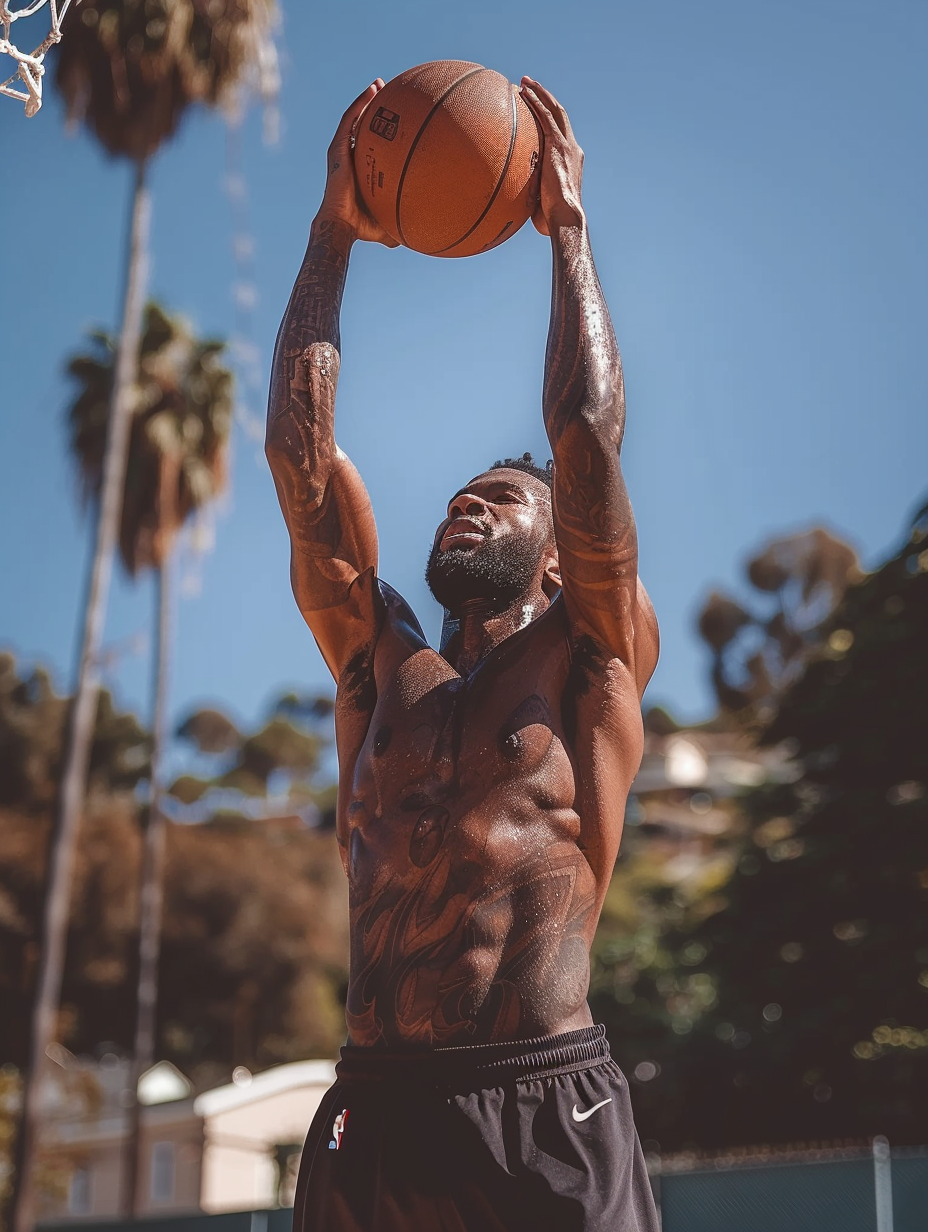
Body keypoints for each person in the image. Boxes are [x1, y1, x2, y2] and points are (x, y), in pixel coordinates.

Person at [266, 74, 660, 1232]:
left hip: (539, 1104)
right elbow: (303, 460)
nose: (463, 506)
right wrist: (333, 230)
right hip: (371, 1108)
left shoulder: (589, 656)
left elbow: (583, 434)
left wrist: (567, 237)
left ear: (557, 554)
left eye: (495, 499)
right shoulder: (377, 668)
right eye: (456, 498)